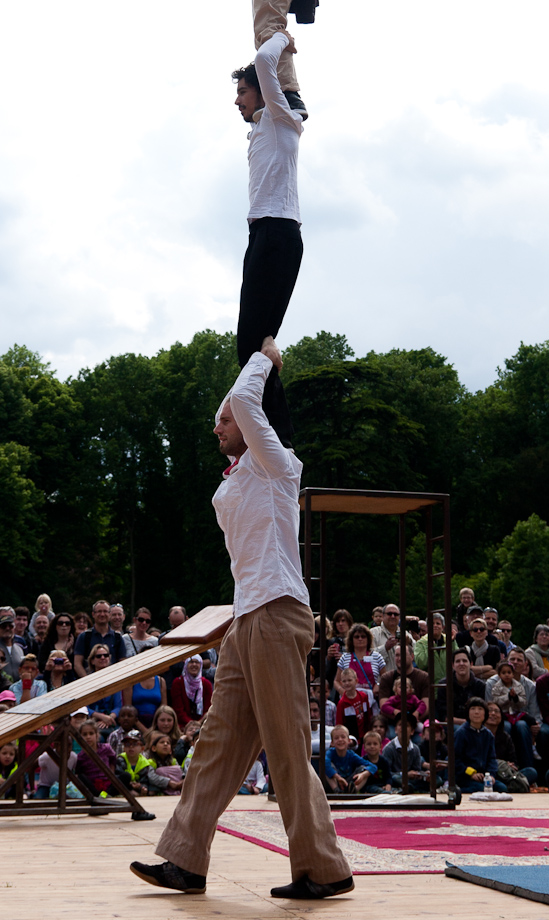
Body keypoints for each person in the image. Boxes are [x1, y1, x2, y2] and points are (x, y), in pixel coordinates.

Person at [131, 346, 353, 900]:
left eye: (225, 419)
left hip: (277, 613)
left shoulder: (278, 464)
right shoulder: (236, 479)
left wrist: (262, 356)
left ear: (254, 422)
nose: (217, 427)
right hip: (246, 615)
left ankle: (323, 868)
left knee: (286, 746)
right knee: (216, 741)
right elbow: (239, 414)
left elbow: (248, 403)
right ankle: (184, 860)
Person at [232, 32, 304, 448]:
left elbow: (263, 59)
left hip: (277, 234)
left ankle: (280, 443)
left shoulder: (281, 118)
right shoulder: (263, 126)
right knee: (254, 343)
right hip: (263, 236)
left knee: (249, 348)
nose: (237, 101)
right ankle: (277, 440)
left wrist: (280, 37)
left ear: (264, 92)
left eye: (243, 92)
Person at [454, 699, 506, 793]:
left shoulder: (488, 734)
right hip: (465, 777)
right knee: (481, 789)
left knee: (502, 788)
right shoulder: (461, 733)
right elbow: (455, 760)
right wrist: (471, 774)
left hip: (484, 776)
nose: (476, 712)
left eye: (480, 709)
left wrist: (491, 775)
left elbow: (492, 758)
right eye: (473, 709)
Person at [170, 656, 212, 728]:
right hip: (183, 725)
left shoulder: (206, 684)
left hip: (203, 724)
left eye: (197, 662)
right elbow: (178, 709)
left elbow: (208, 708)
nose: (194, 664)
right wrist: (192, 724)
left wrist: (199, 723)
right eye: (191, 662)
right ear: (186, 665)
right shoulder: (178, 683)